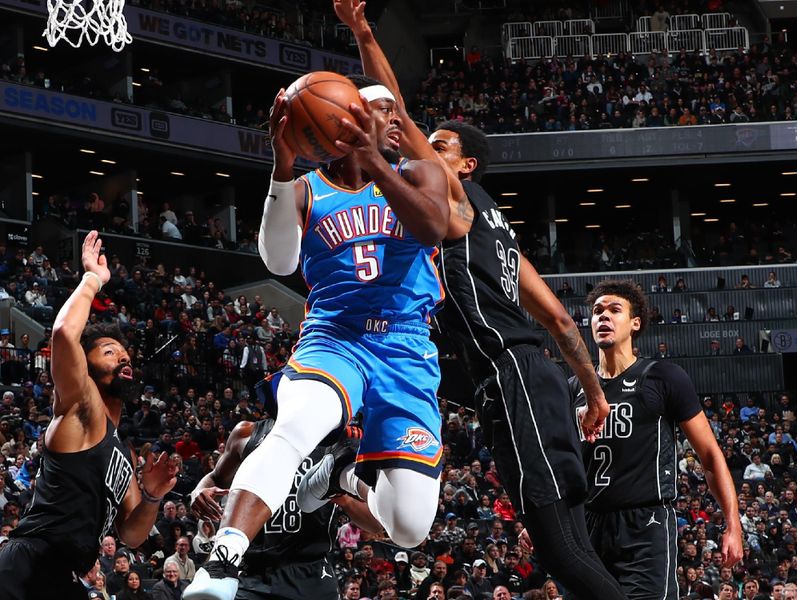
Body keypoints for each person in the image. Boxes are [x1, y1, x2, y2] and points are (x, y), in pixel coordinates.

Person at [330, 3, 624, 598]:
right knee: (569, 542)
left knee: (560, 548)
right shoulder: (503, 238)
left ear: (463, 164)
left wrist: (363, 32)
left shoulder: (459, 195)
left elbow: (397, 114)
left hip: (513, 373)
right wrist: (592, 395)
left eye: (437, 145)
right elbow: (564, 321)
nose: (419, 147)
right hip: (536, 378)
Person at [186, 64, 449, 600]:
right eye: (380, 109)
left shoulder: (421, 174)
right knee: (294, 429)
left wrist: (375, 160)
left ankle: (335, 479)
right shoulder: (308, 188)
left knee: (410, 526)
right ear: (345, 115)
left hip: (405, 349)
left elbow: (432, 227)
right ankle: (222, 560)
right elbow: (278, 260)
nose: (392, 120)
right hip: (336, 337)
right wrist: (282, 166)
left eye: (395, 114)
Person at [0, 231, 177, 600]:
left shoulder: (122, 452)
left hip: (66, 574)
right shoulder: (82, 405)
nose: (123, 357)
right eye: (110, 352)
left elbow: (130, 534)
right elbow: (65, 332)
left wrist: (153, 497)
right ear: (87, 365)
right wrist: (92, 279)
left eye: (125, 353)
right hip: (29, 561)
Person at [568, 279, 743, 598]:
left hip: (644, 525)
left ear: (635, 323)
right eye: (596, 311)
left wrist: (733, 523)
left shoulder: (662, 377)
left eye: (614, 310)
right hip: (587, 526)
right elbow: (563, 468)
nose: (603, 316)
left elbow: (709, 455)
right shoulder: (575, 388)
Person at [186, 387, 375, 600]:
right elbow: (215, 477)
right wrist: (199, 491)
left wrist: (345, 500)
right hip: (253, 572)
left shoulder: (336, 443)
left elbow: (375, 524)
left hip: (310, 570)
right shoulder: (247, 433)